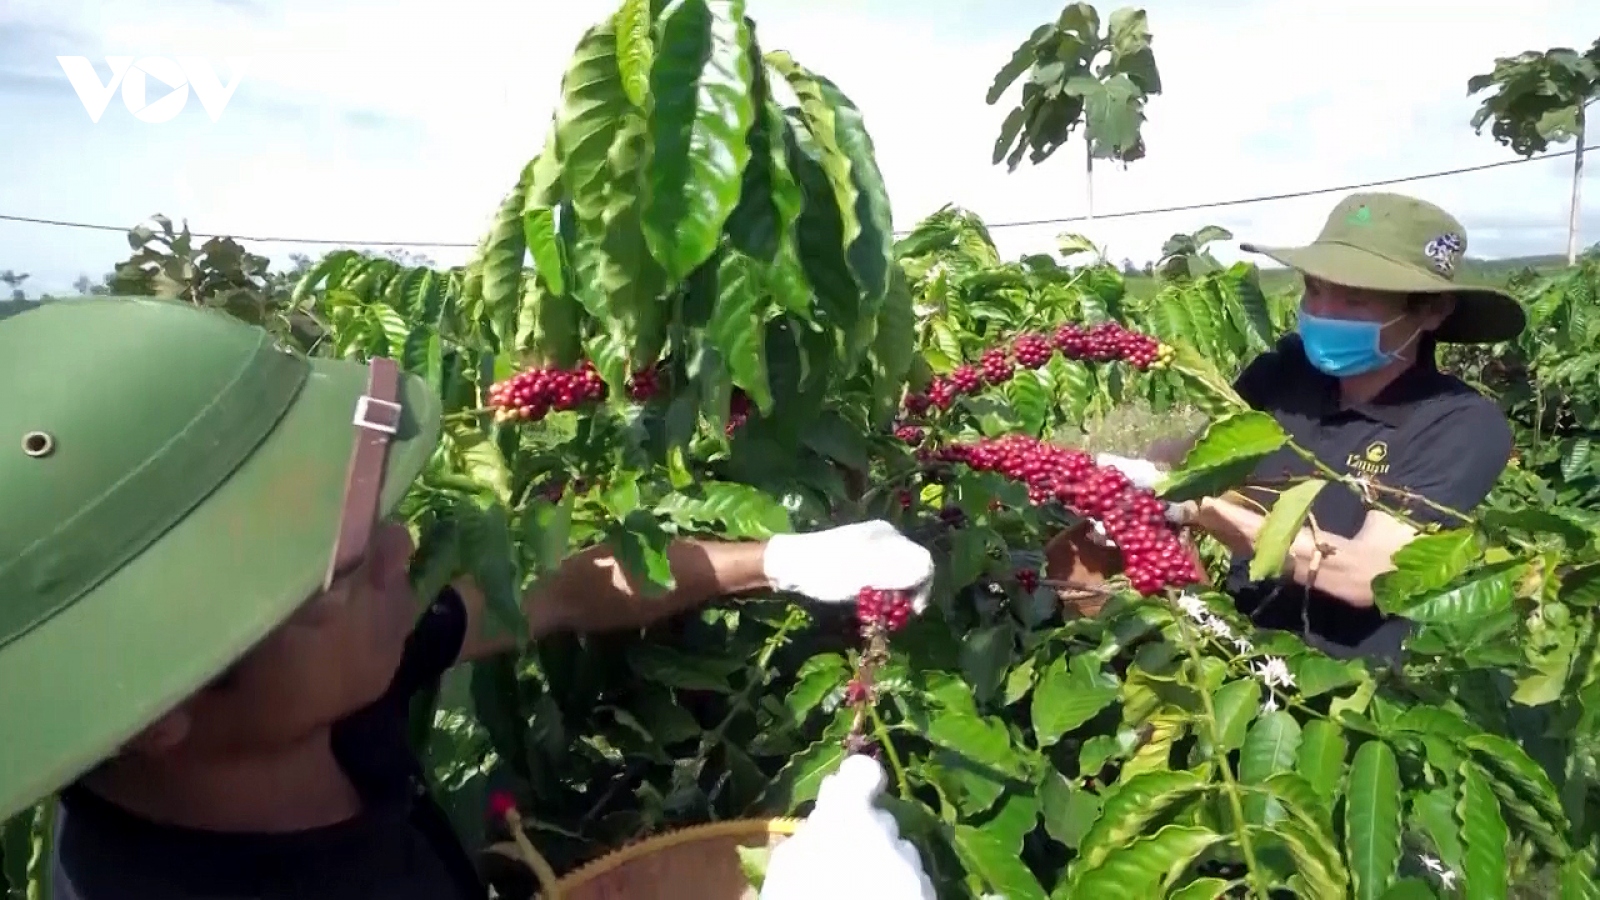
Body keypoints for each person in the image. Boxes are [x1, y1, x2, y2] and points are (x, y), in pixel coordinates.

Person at [0, 296, 937, 899]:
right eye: (332, 568)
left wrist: (779, 558)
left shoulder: (307, 694)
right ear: (161, 702)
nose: (402, 547)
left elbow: (561, 593)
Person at [1098, 192, 1526, 664]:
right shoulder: (1283, 376)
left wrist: (1198, 508)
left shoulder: (1460, 424)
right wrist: (1121, 476)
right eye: (1315, 290)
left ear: (1431, 311)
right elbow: (1197, 456)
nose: (1323, 312)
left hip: (1350, 679)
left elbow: (1367, 574)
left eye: (1354, 299)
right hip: (1237, 648)